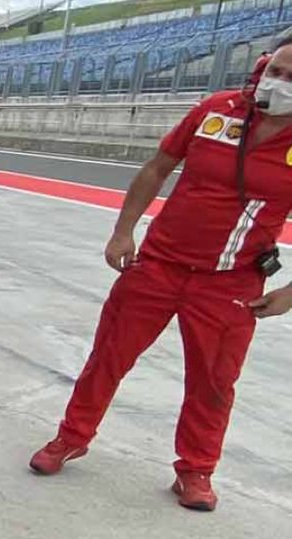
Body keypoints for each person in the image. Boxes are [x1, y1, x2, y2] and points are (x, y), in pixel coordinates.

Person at [29, 35, 292, 512]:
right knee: (108, 356)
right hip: (157, 266)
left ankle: (195, 470)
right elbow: (157, 168)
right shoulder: (216, 110)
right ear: (262, 65)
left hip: (230, 284)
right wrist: (122, 232)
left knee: (213, 382)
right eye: (276, 70)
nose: (279, 83)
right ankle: (71, 436)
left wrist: (291, 293)